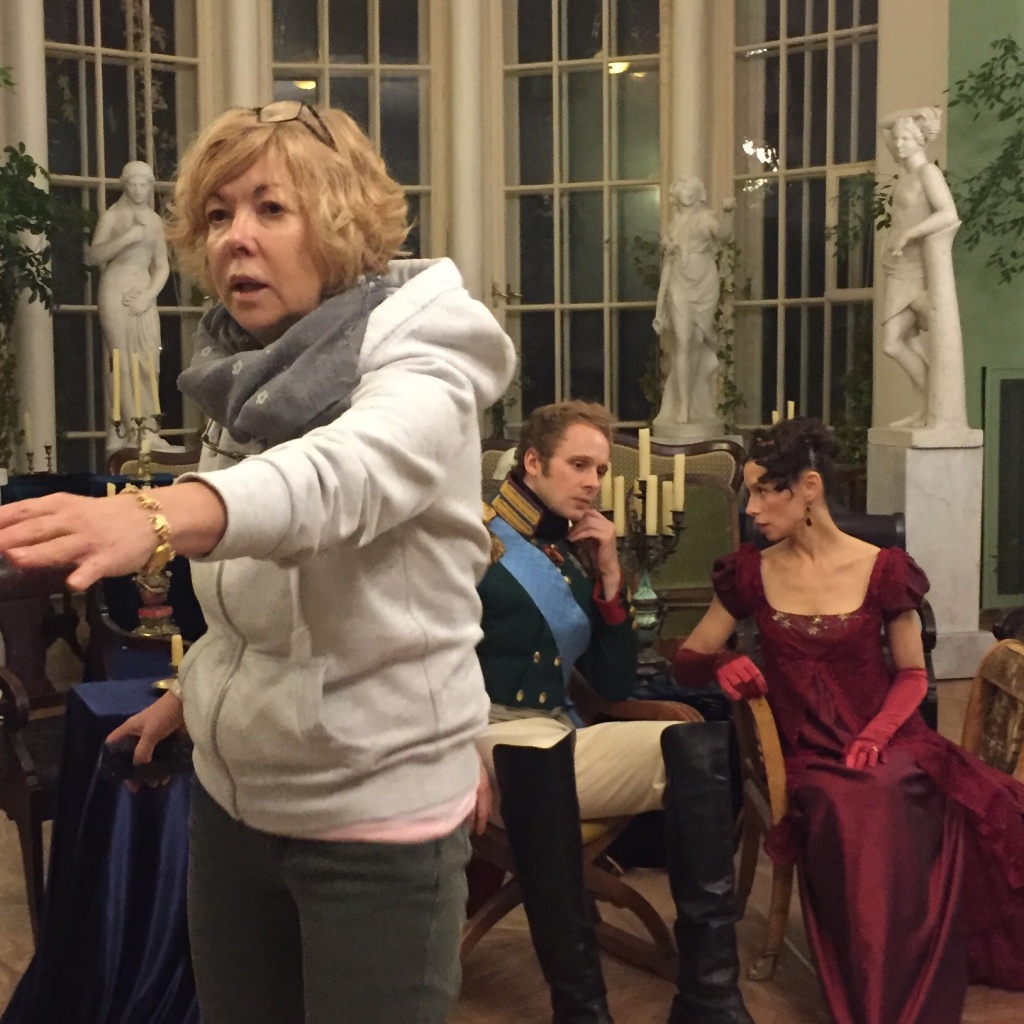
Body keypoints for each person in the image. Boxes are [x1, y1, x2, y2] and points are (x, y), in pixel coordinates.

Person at [0, 100, 516, 1024]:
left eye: (271, 208)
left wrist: (157, 514)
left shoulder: (428, 355)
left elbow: (339, 480)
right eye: (217, 213)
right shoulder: (248, 366)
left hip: (375, 818)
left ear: (342, 220)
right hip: (236, 808)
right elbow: (270, 598)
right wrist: (201, 692)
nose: (235, 236)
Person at [672, 417, 1024, 1024]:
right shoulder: (750, 571)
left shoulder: (885, 569)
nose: (750, 508)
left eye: (763, 492)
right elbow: (686, 662)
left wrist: (877, 734)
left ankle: (909, 979)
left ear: (809, 488)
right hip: (810, 755)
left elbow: (912, 674)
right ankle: (881, 1002)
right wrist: (724, 662)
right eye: (750, 492)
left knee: (934, 798)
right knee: (850, 805)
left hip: (892, 741)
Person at [474, 400, 754, 1024]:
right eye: (578, 465)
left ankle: (710, 997)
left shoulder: (570, 554)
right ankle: (581, 1009)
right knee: (539, 759)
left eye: (599, 470)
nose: (592, 482)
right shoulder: (473, 541)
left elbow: (611, 683)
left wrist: (607, 578)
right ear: (532, 462)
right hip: (483, 737)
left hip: (560, 733)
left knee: (697, 745)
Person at [878, 107, 961, 428]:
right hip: (897, 266)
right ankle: (925, 410)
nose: (898, 145)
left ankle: (935, 403)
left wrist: (910, 234)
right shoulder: (905, 171)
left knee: (893, 343)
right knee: (908, 342)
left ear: (919, 141)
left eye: (905, 139)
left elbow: (948, 214)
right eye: (897, 140)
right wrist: (917, 113)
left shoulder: (928, 173)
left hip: (915, 269)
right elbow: (884, 124)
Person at [85, 161, 173, 451]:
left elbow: (162, 266)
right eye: (133, 184)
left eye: (144, 185)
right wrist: (128, 237)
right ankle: (129, 431)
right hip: (115, 290)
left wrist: (148, 295)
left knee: (148, 360)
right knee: (121, 359)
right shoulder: (113, 216)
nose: (138, 190)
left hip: (142, 293)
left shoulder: (154, 221)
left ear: (150, 186)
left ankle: (149, 428)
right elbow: (93, 256)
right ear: (124, 185)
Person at [652, 177, 734, 430]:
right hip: (679, 282)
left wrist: (728, 213)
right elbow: (667, 268)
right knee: (683, 341)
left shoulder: (705, 219)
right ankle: (684, 406)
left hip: (705, 281)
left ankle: (697, 399)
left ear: (699, 193)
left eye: (691, 189)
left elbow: (724, 236)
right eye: (683, 189)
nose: (687, 193)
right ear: (677, 195)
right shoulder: (674, 226)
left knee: (697, 342)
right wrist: (659, 309)